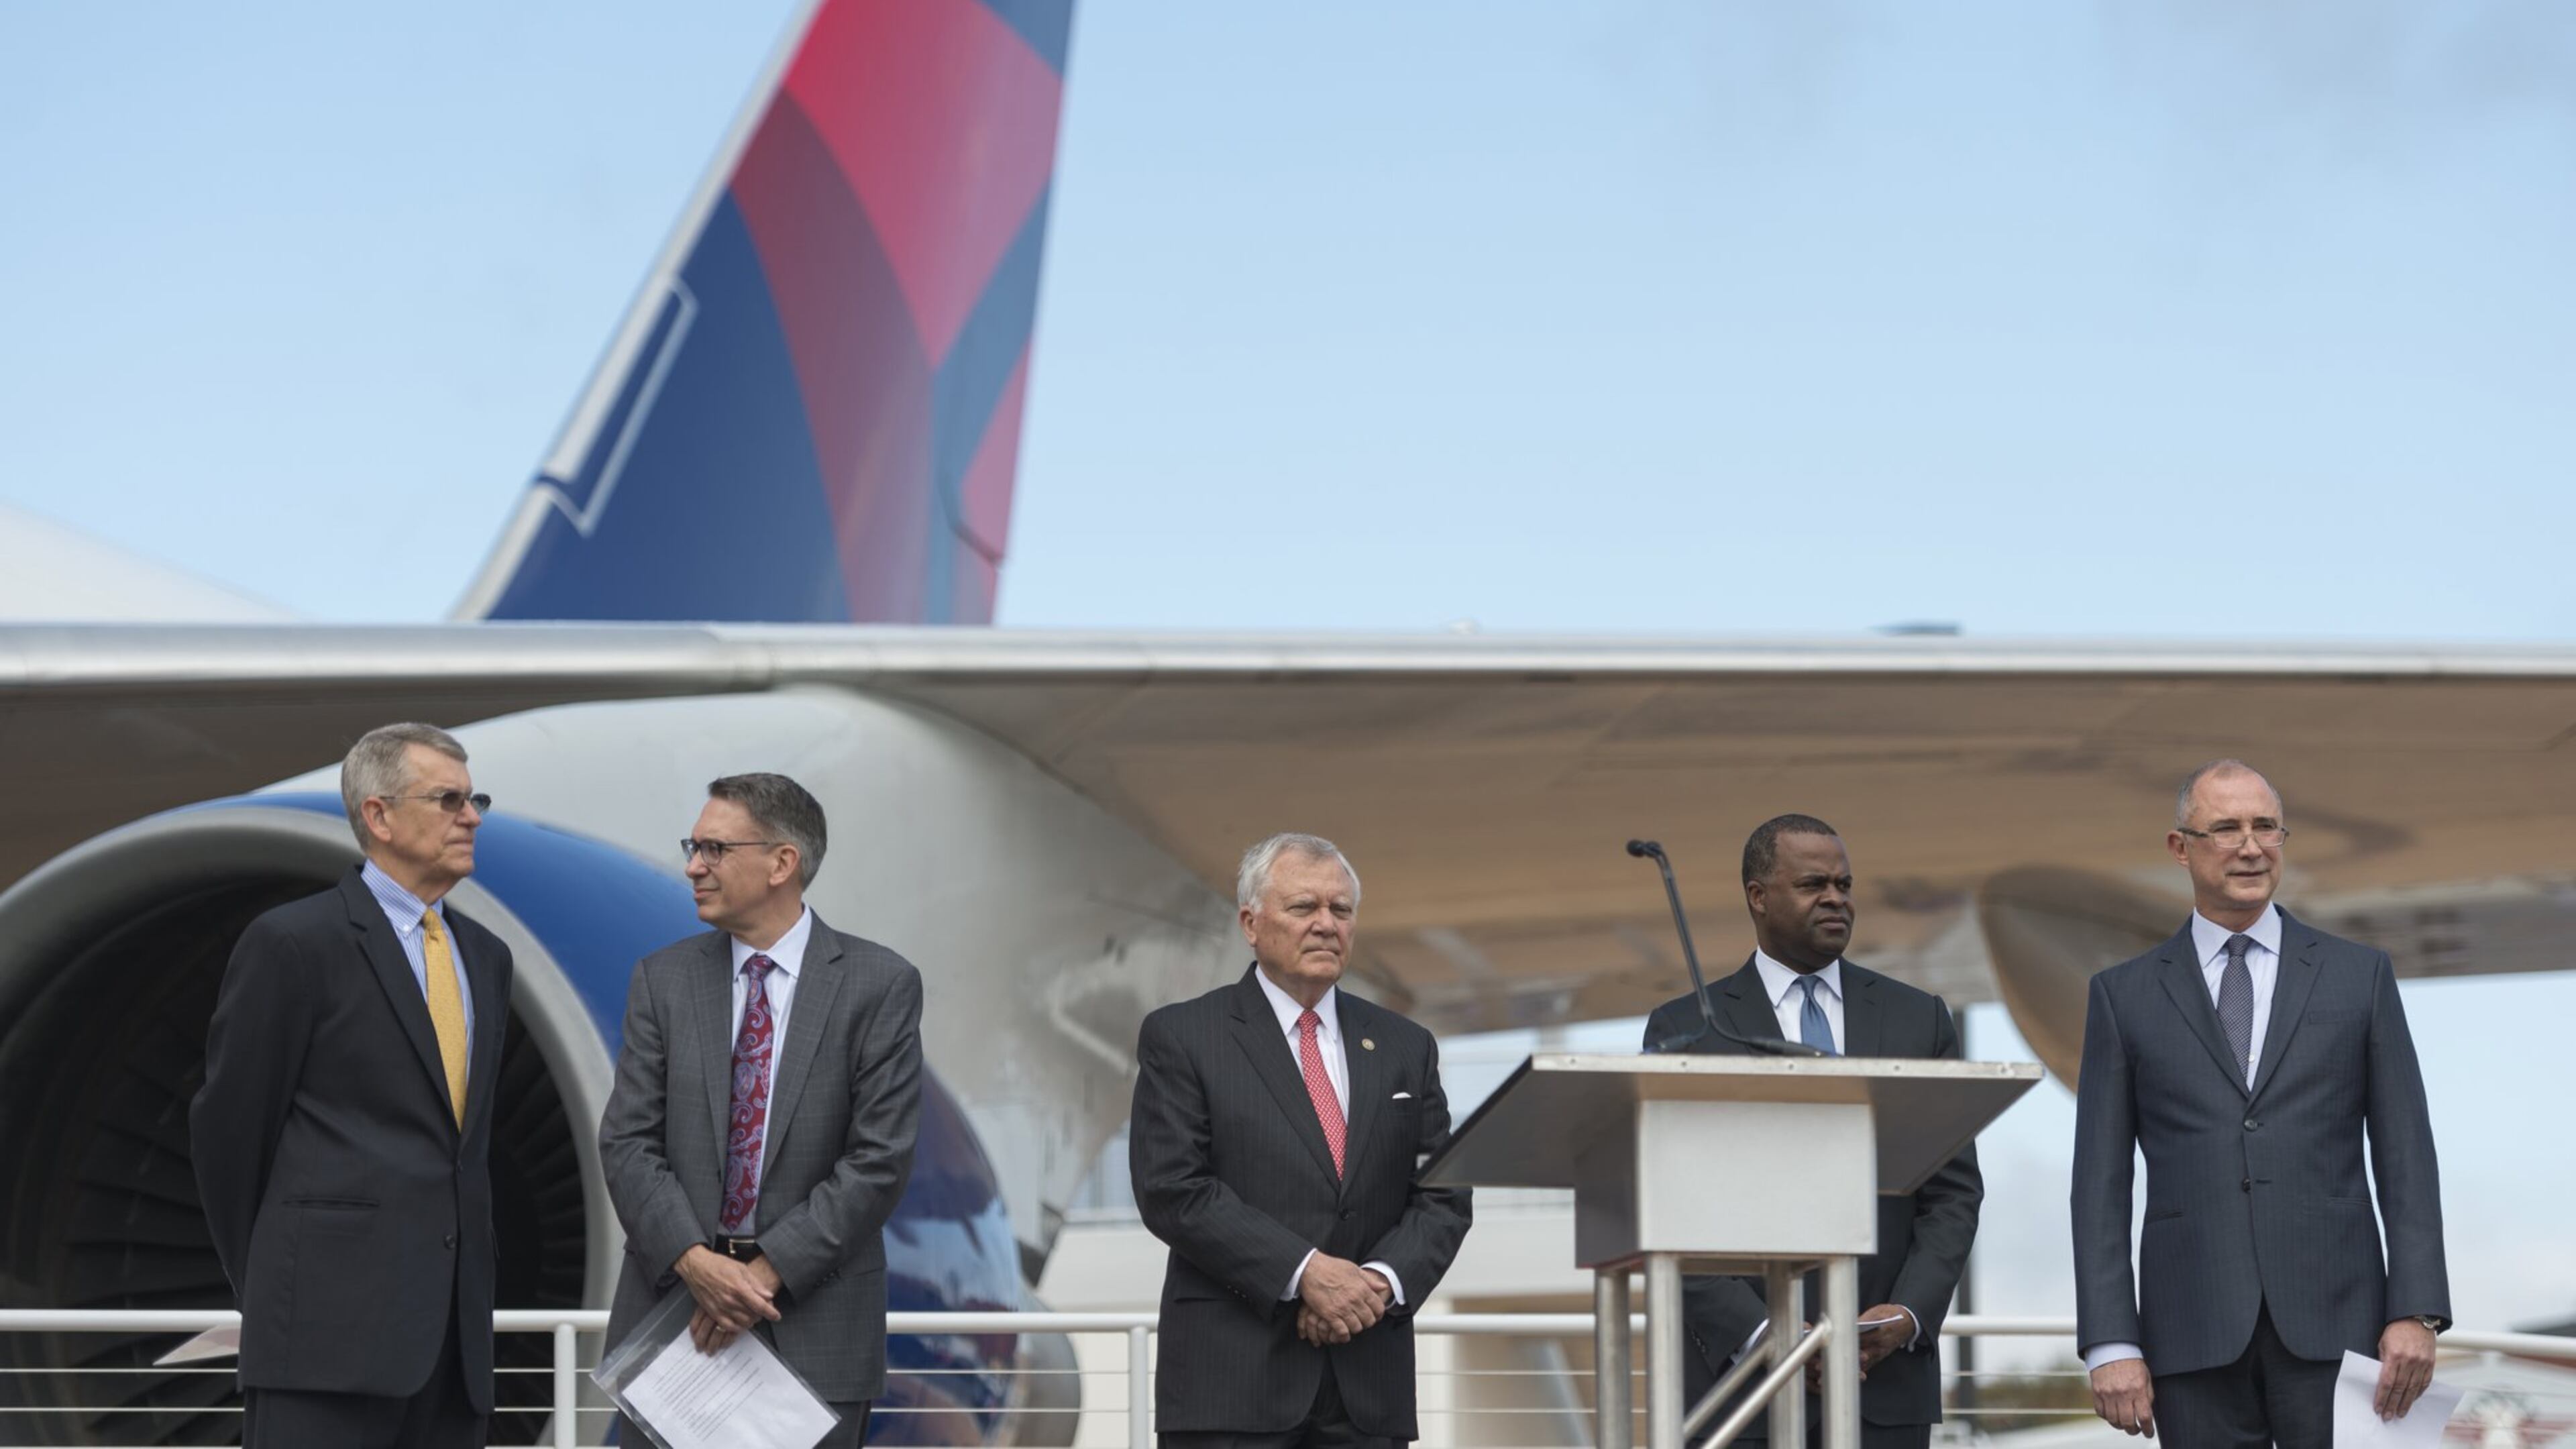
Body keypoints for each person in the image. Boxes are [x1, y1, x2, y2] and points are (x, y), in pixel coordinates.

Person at [2073, 760, 2448, 1446]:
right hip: (2189, 1333)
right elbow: (2099, 1185)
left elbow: (2406, 1154)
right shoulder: (2122, 997)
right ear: (2180, 848)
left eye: (2265, 827)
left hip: (2345, 1331)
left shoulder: (2359, 977)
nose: (2250, 847)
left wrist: (2417, 1311)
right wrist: (2109, 1341)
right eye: (2225, 829)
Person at [191, 722, 511, 1448]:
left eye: (475, 798)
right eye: (450, 799)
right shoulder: (295, 942)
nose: (473, 817)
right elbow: (230, 1132)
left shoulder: (486, 957)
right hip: (321, 1343)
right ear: (379, 815)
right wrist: (285, 1284)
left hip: (452, 1353)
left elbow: (464, 1151)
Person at [598, 773, 923, 1448]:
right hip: (674, 1324)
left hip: (816, 1326)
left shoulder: (879, 985)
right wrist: (698, 1266)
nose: (694, 866)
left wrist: (757, 1277)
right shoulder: (663, 980)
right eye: (694, 846)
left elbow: (878, 1162)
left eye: (714, 849)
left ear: (782, 863)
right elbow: (627, 1141)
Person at [1639, 814, 1983, 1449]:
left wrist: (1904, 1317)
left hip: (1884, 1387)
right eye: (1813, 884)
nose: (1836, 898)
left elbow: (1953, 1193)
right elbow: (1672, 1209)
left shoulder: (1918, 1019)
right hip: (1744, 1390)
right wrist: (1768, 1334)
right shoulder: (1689, 1028)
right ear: (1758, 896)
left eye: (1845, 884)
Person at [1130, 833, 1473, 1449]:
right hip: (1231, 1389)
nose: (1325, 925)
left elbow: (1443, 1193)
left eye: (1340, 911)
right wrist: (1306, 1273)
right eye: (1303, 908)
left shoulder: (1405, 1046)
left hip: (1368, 1388)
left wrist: (1374, 1287)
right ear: (1251, 923)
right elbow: (1173, 1189)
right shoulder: (1184, 1036)